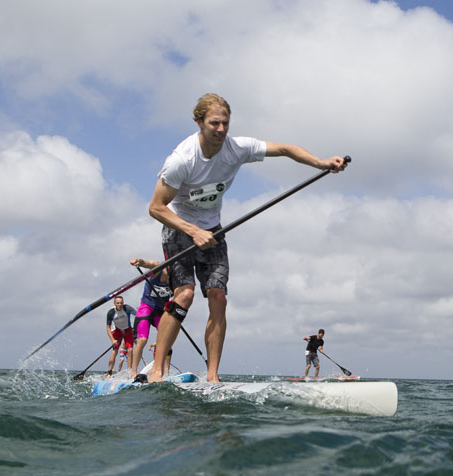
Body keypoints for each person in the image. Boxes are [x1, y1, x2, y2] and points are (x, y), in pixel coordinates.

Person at [147, 93, 347, 383]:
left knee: (218, 298)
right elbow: (155, 207)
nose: (221, 129)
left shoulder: (237, 148)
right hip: (179, 228)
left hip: (213, 229)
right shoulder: (182, 159)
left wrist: (321, 162)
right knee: (186, 294)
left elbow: (285, 149)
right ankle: (156, 370)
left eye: (225, 123)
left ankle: (213, 376)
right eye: (214, 123)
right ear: (199, 122)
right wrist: (193, 231)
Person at [128, 257, 173, 377]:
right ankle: (133, 373)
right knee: (142, 339)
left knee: (168, 341)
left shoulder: (177, 279)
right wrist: (140, 262)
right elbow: (148, 264)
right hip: (146, 308)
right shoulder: (159, 267)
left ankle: (166, 374)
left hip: (161, 311)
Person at [105, 296, 136, 378]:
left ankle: (129, 371)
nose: (120, 304)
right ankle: (109, 372)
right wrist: (112, 340)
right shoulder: (111, 312)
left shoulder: (127, 308)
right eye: (118, 303)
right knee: (115, 351)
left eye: (121, 303)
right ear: (114, 303)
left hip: (128, 330)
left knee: (130, 349)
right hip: (117, 331)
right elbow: (108, 327)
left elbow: (138, 315)